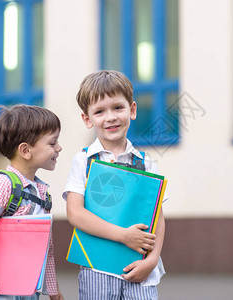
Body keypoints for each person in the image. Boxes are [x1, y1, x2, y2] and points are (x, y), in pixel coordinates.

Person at [63, 70, 166, 299]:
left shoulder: (146, 163)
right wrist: (124, 236)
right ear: (87, 119)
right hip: (96, 268)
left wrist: (151, 261)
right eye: (99, 111)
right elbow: (75, 213)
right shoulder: (84, 161)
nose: (110, 117)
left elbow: (157, 217)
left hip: (140, 270)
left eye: (118, 107)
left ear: (132, 110)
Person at [0, 104, 64, 300]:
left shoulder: (42, 193)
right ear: (25, 150)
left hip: (30, 289)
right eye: (52, 143)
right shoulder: (2, 183)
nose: (59, 148)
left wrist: (54, 292)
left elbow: (46, 247)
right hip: (2, 289)